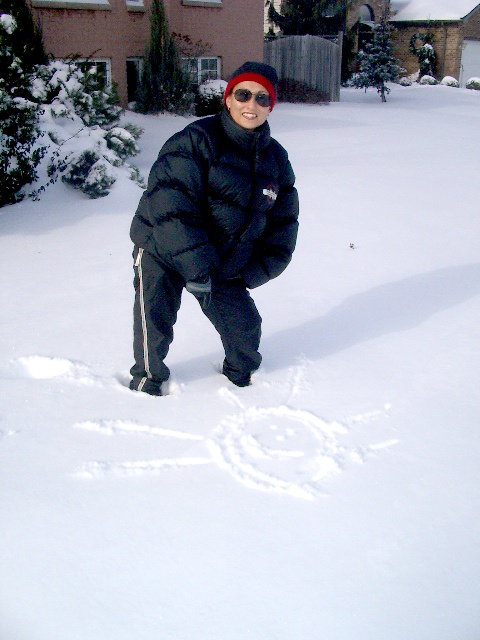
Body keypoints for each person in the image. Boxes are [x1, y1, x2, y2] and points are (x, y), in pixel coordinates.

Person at [129, 61, 299, 396]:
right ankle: (148, 383)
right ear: (229, 98)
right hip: (161, 247)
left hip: (220, 262)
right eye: (243, 94)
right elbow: (171, 204)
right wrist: (196, 267)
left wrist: (251, 272)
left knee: (245, 329)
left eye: (262, 98)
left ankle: (243, 382)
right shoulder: (195, 140)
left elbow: (282, 225)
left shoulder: (275, 159)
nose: (251, 105)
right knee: (155, 321)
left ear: (271, 106)